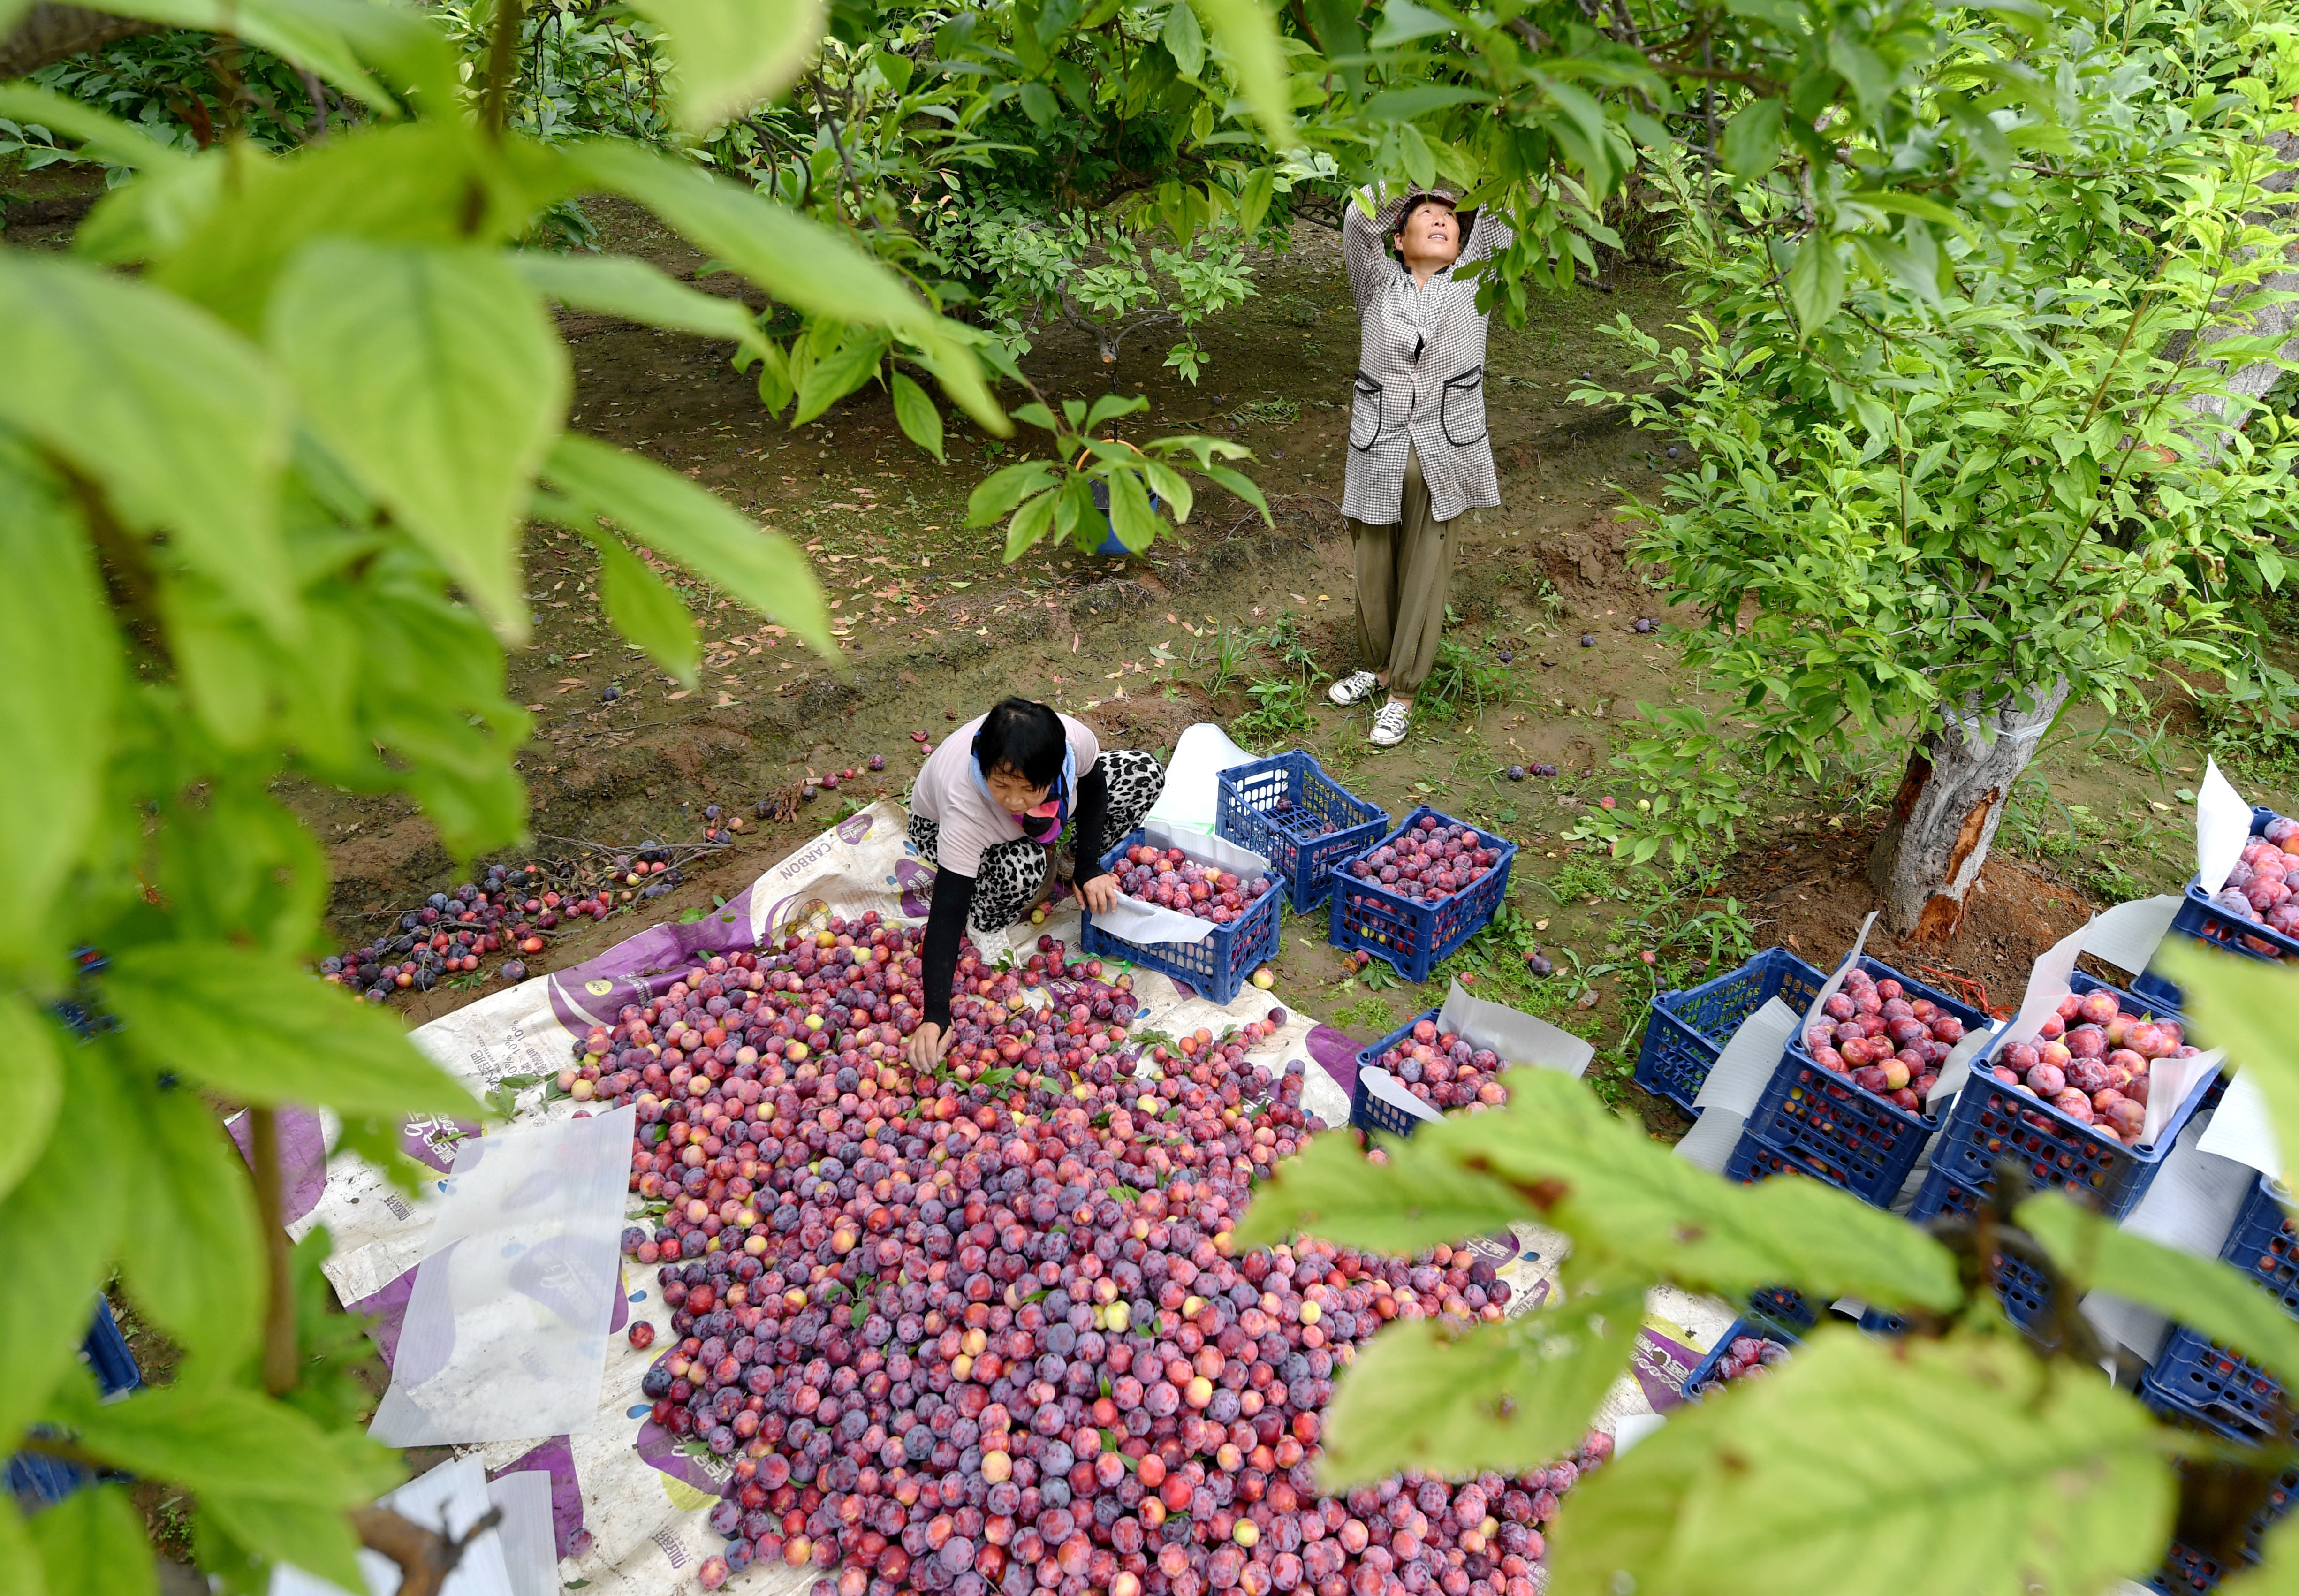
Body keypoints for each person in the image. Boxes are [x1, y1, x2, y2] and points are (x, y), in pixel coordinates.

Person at [1328, 184, 1513, 747]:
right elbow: (1357, 222)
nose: (1439, 220)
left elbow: (1504, 212)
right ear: (1400, 239)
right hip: (1377, 444)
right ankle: (1377, 667)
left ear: (1462, 241)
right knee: (1372, 565)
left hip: (1445, 449)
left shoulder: (1475, 279)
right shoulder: (1377, 282)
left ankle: (1402, 692)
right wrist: (1414, 179)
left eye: (1449, 217)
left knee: (1426, 571)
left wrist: (1463, 175)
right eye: (1424, 216)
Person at [904, 698, 1166, 1069]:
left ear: (1057, 770)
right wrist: (935, 1013)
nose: (1013, 801)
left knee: (1144, 773)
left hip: (1047, 799)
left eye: (1028, 789)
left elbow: (1093, 787)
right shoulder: (964, 807)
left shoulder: (1073, 739)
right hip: (935, 827)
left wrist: (1088, 866)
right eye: (1001, 785)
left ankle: (1068, 860)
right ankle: (986, 920)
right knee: (1022, 865)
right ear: (983, 763)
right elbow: (946, 912)